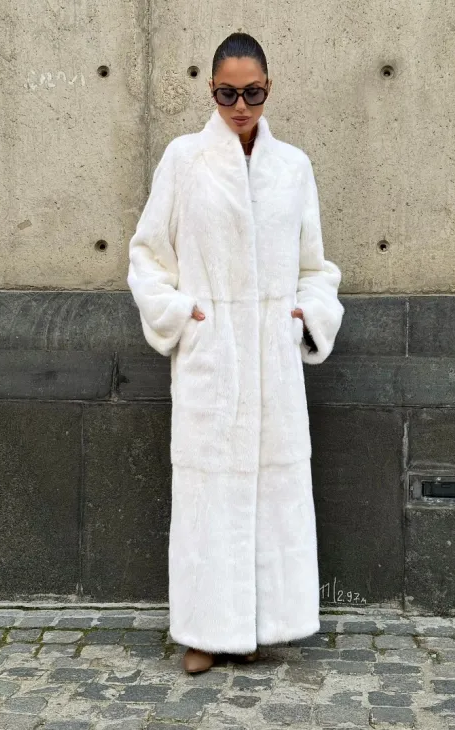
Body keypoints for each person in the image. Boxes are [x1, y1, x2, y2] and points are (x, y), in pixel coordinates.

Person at [127, 32, 344, 674]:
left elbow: (316, 266)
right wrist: (181, 315)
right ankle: (205, 630)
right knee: (208, 496)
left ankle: (264, 623)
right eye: (227, 94)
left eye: (252, 93)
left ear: (268, 89)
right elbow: (147, 255)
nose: (240, 106)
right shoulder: (184, 159)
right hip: (212, 358)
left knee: (274, 491)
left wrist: (305, 315)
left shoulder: (293, 167)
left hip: (272, 361)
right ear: (212, 91)